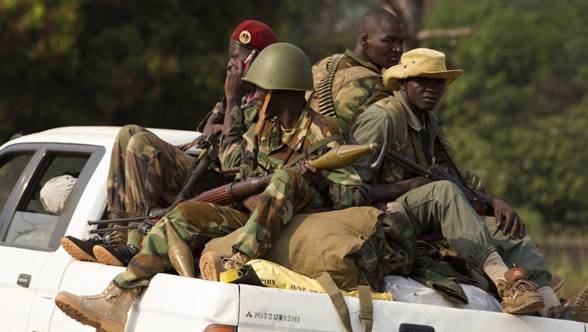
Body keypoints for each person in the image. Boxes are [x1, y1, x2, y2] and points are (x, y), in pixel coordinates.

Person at [54, 42, 368, 332]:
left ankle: (237, 261)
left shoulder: (324, 132)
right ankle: (116, 299)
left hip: (294, 220)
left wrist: (312, 177)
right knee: (180, 217)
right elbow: (244, 174)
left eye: (260, 90)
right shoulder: (263, 126)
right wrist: (247, 198)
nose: (255, 96)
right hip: (251, 215)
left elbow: (351, 195)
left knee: (289, 178)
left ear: (281, 92)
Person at [350, 48, 588, 321]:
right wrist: (410, 185)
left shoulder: (429, 122)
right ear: (404, 84)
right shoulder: (382, 119)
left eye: (438, 82)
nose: (431, 89)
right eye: (423, 81)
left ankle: (552, 308)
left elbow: (453, 176)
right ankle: (505, 283)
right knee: (443, 192)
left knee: (505, 226)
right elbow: (350, 190)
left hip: (428, 210)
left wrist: (491, 203)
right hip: (384, 215)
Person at [59, 20, 278, 267]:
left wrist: (232, 101)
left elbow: (232, 163)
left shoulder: (266, 104)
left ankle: (134, 244)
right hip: (205, 175)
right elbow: (206, 134)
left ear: (256, 60)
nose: (230, 64)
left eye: (237, 58)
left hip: (229, 190)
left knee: (142, 145)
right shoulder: (240, 95)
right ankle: (117, 237)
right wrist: (219, 122)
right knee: (127, 133)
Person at [308, 8, 405, 127]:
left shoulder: (324, 64)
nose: (399, 49)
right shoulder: (376, 87)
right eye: (389, 41)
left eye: (401, 42)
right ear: (364, 40)